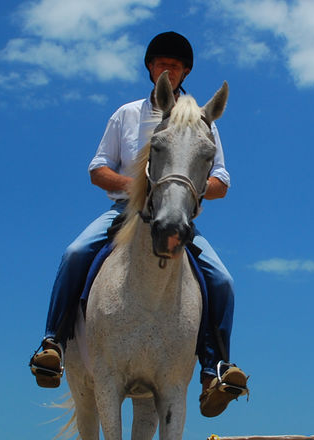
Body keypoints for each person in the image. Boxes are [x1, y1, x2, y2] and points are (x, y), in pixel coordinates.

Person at [29, 30, 248, 417]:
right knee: (75, 252)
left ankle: (214, 369)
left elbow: (222, 181)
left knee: (223, 281)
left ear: (185, 72)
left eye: (176, 66)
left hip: (178, 214)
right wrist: (138, 187)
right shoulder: (127, 114)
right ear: (151, 68)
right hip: (125, 212)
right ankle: (53, 345)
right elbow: (98, 169)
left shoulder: (202, 122)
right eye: (162, 63)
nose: (169, 69)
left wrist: (188, 192)